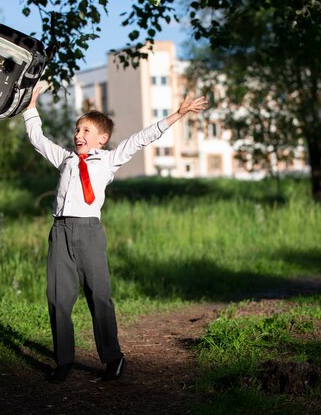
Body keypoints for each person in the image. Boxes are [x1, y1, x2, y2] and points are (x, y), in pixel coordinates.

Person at [23, 87, 208, 383]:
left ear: (102, 139)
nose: (78, 134)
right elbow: (37, 139)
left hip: (89, 233)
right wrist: (30, 105)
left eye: (85, 130)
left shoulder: (108, 160)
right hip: (60, 232)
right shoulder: (66, 159)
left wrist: (178, 114)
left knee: (100, 297)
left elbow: (141, 138)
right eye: (76, 129)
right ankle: (64, 361)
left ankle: (113, 357)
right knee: (58, 298)